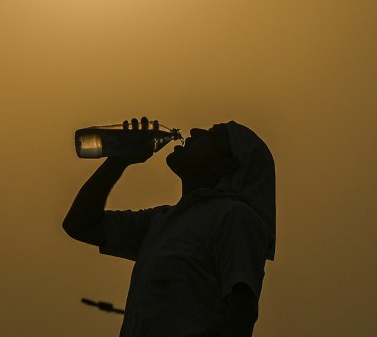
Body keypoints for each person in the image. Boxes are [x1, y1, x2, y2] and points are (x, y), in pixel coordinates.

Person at [63, 120, 276, 337]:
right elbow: (80, 224)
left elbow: (242, 310)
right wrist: (119, 160)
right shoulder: (162, 220)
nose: (195, 130)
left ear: (226, 165)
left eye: (212, 134)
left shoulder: (233, 217)